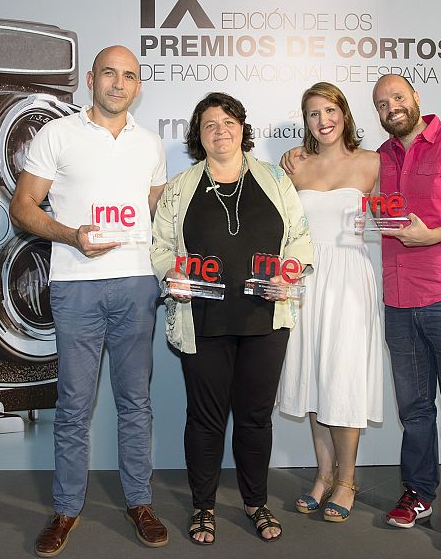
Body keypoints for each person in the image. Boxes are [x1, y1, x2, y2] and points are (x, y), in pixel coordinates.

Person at [282, 74, 441, 552]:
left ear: (416, 99)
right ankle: (420, 494)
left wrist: (439, 232)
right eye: (383, 103)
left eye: (398, 98)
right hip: (399, 298)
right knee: (416, 410)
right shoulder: (384, 158)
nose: (392, 107)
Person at [10, 45, 170, 556]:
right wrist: (71, 235)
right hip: (76, 285)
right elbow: (22, 208)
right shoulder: (57, 134)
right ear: (90, 80)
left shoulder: (151, 144)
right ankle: (66, 509)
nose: (118, 83)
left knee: (135, 403)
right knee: (75, 406)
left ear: (138, 86)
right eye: (109, 74)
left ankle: (140, 503)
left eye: (128, 76)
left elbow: (156, 215)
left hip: (137, 285)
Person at [151, 92, 313, 545]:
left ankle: (255, 501)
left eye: (228, 121)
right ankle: (203, 507)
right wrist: (172, 273)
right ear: (197, 135)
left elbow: (300, 237)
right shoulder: (181, 187)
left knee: (256, 418)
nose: (219, 130)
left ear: (242, 128)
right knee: (204, 419)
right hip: (203, 321)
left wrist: (293, 271)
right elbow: (161, 245)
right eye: (208, 124)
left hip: (265, 319)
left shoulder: (276, 180)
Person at [276, 82, 383, 524]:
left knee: (344, 377)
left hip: (351, 281)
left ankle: (347, 479)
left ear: (344, 114)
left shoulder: (372, 163)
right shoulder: (296, 167)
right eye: (314, 113)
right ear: (306, 122)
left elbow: (389, 218)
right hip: (307, 280)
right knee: (314, 379)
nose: (324, 120)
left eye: (330, 110)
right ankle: (323, 475)